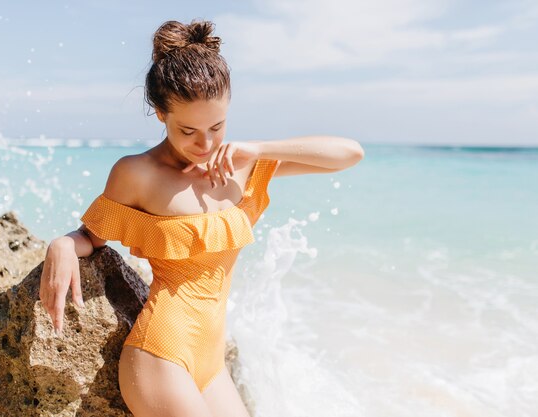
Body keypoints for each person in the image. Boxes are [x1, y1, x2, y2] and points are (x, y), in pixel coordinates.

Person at [39, 18, 364, 417]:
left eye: (217, 126)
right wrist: (63, 243)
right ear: (160, 114)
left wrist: (259, 149)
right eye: (188, 130)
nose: (205, 143)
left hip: (211, 366)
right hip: (160, 355)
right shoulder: (137, 173)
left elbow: (348, 154)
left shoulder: (242, 164)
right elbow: (93, 235)